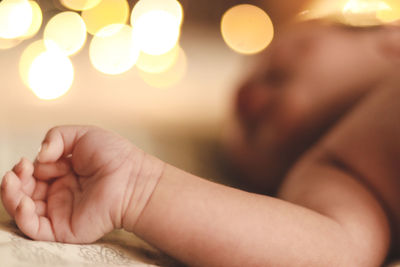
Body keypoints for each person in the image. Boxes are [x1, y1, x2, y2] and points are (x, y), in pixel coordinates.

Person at [2, 16, 400, 267]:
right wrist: (138, 188)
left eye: (273, 60)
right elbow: (333, 250)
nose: (246, 85)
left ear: (390, 36)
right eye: (243, 138)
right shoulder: (337, 171)